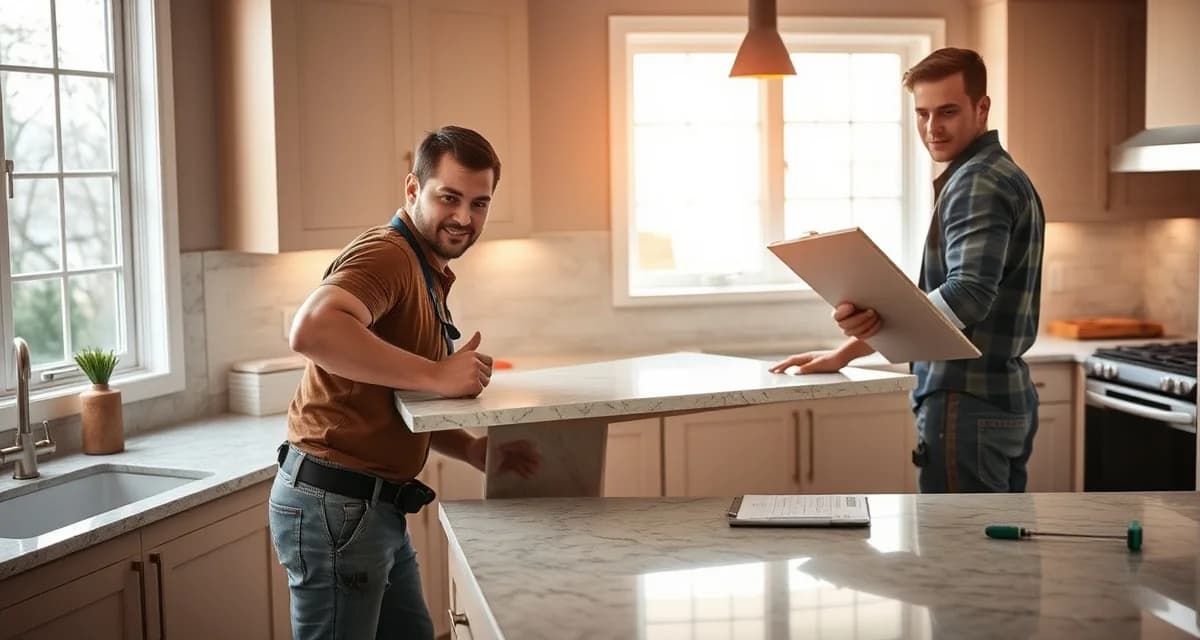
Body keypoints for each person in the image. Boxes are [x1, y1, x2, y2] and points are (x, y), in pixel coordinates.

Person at [268, 125, 541, 639]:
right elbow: (310, 329)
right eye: (449, 197)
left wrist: (473, 450)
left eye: (479, 203)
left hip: (369, 510)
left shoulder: (423, 270)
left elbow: (394, 397)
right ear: (413, 190)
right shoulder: (388, 254)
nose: (464, 217)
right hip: (336, 508)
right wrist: (438, 373)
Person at [771, 48, 1045, 494]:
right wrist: (847, 351)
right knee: (998, 556)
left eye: (948, 112)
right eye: (922, 113)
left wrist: (861, 341)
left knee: (959, 554)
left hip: (963, 402)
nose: (933, 128)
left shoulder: (978, 180)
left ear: (982, 108)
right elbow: (956, 296)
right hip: (1000, 400)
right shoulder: (996, 173)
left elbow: (966, 296)